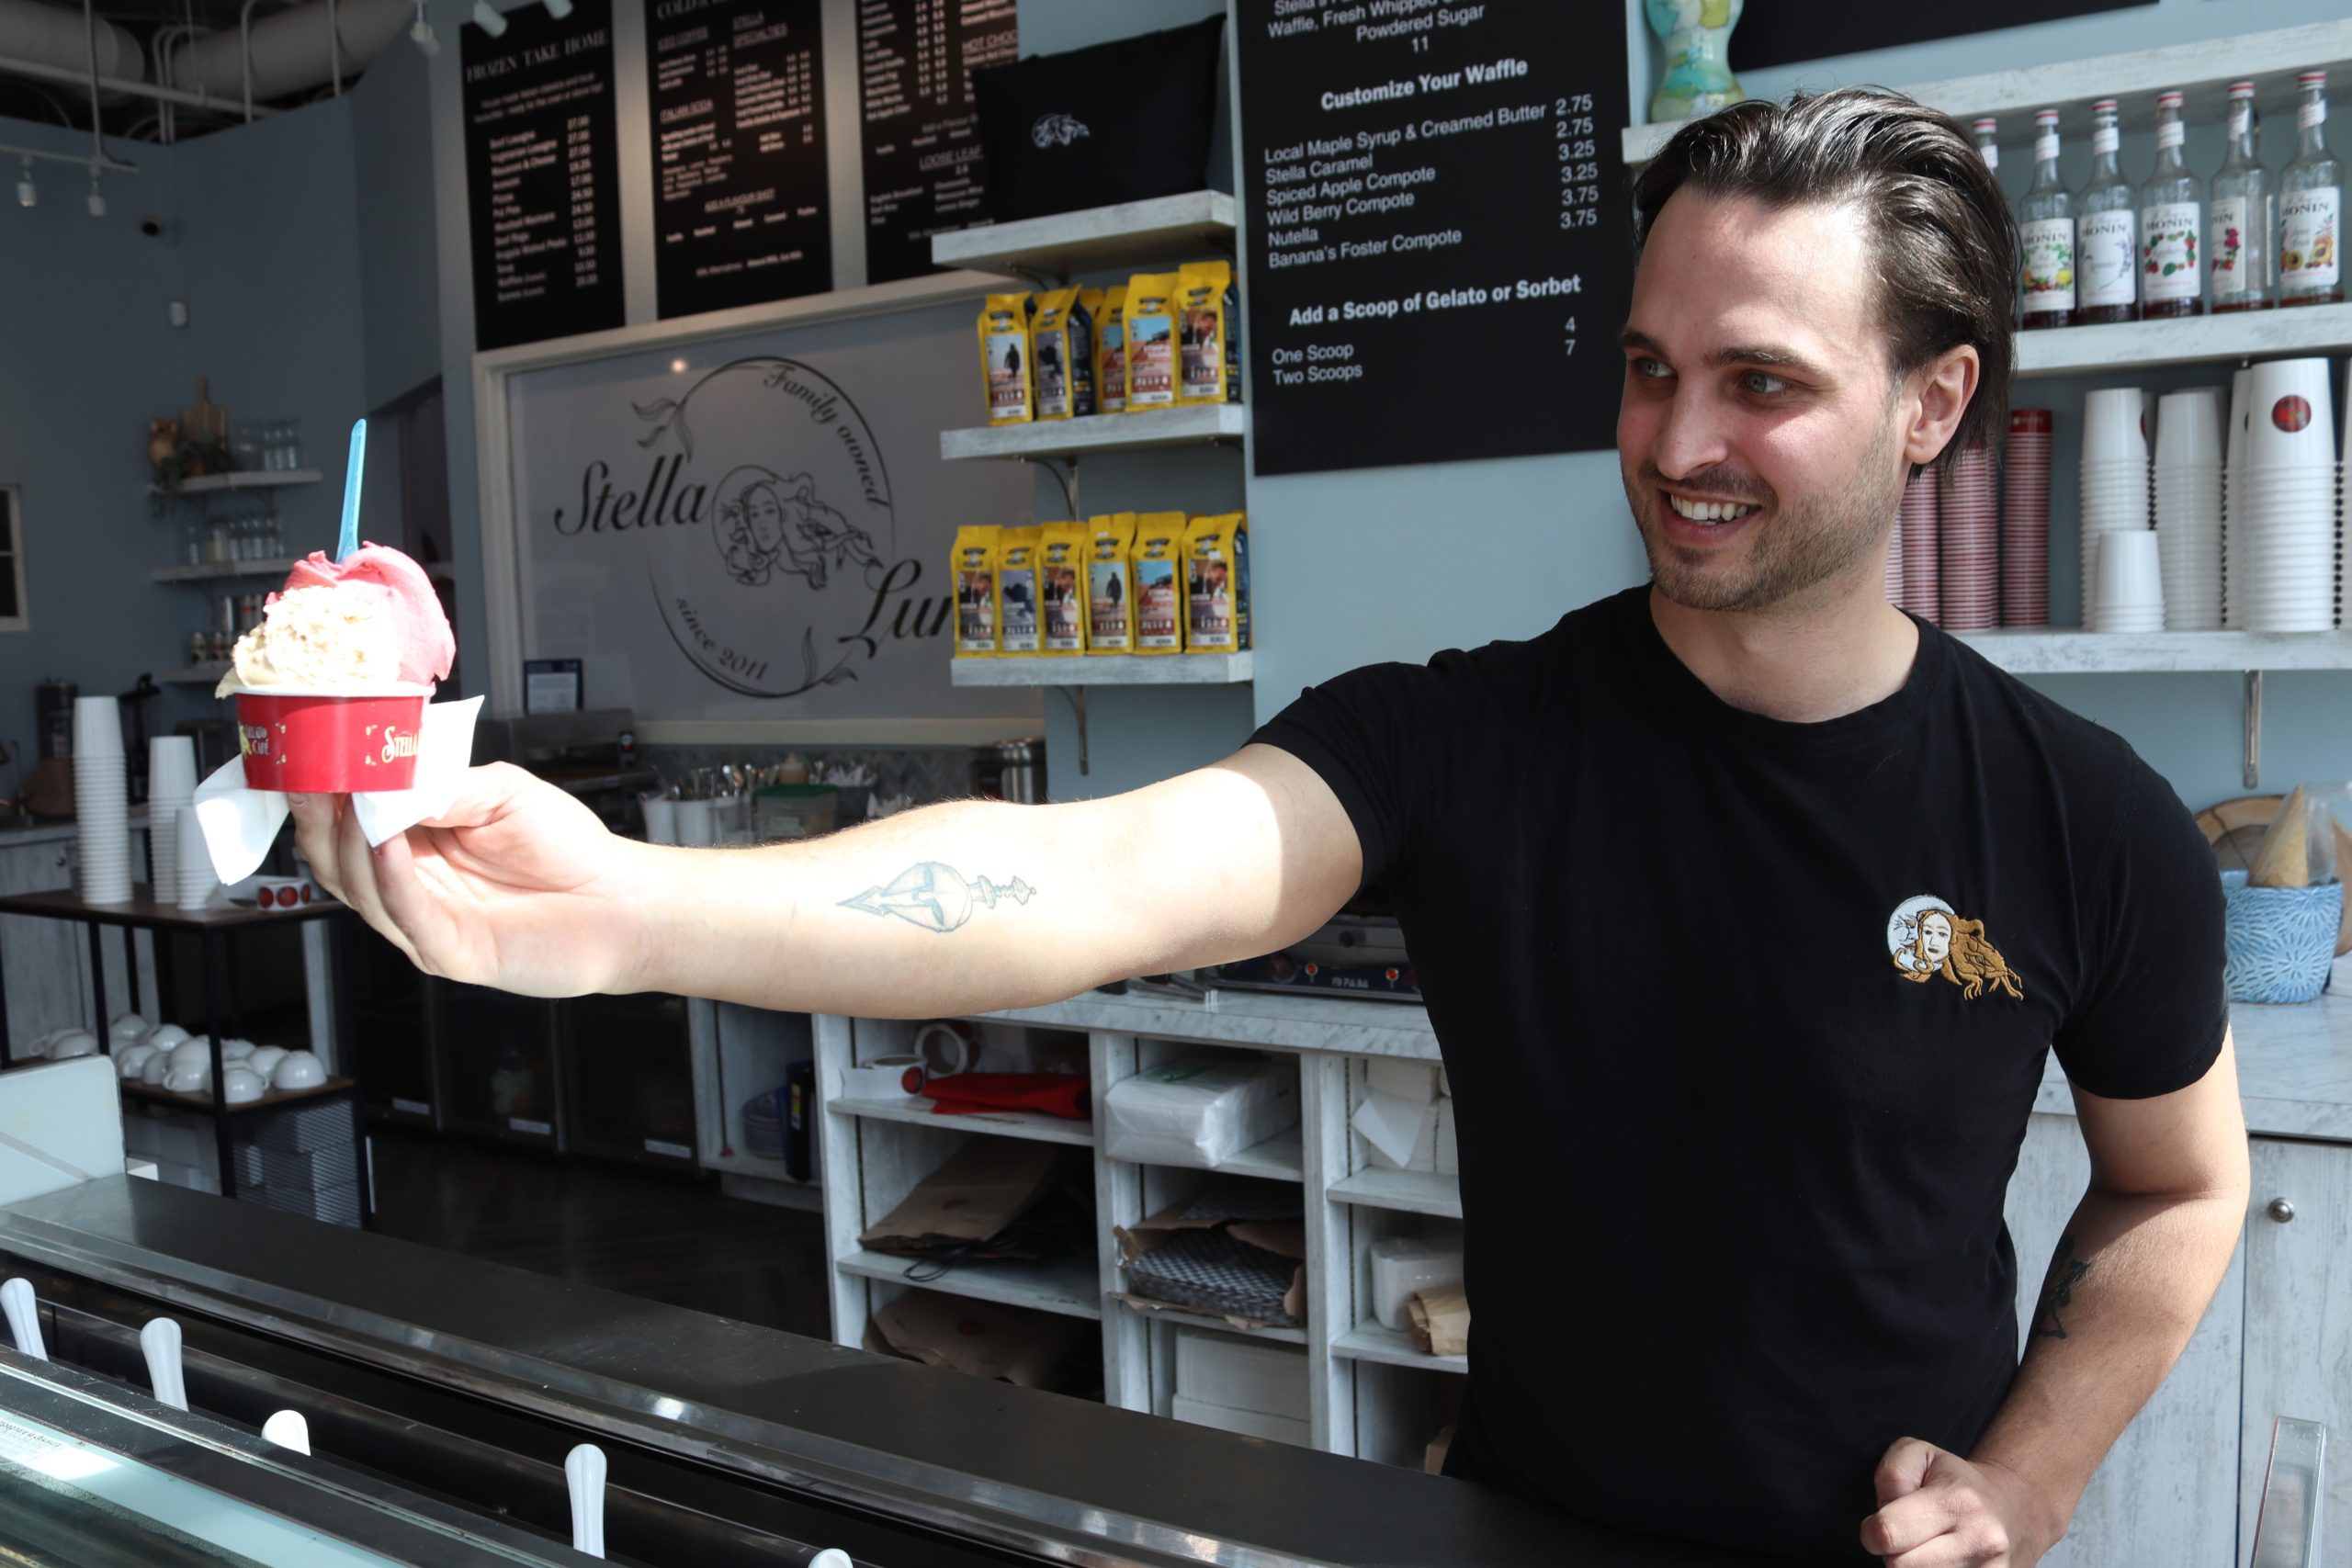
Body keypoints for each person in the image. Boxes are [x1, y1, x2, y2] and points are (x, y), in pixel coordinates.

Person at [298, 90, 2248, 1567]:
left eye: (1761, 385)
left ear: (1934, 404)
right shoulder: (1470, 737)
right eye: (1648, 370)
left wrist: (2024, 1470)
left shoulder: (2081, 818)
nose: (1671, 446)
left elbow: (2174, 1188)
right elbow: (1083, 879)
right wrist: (634, 908)